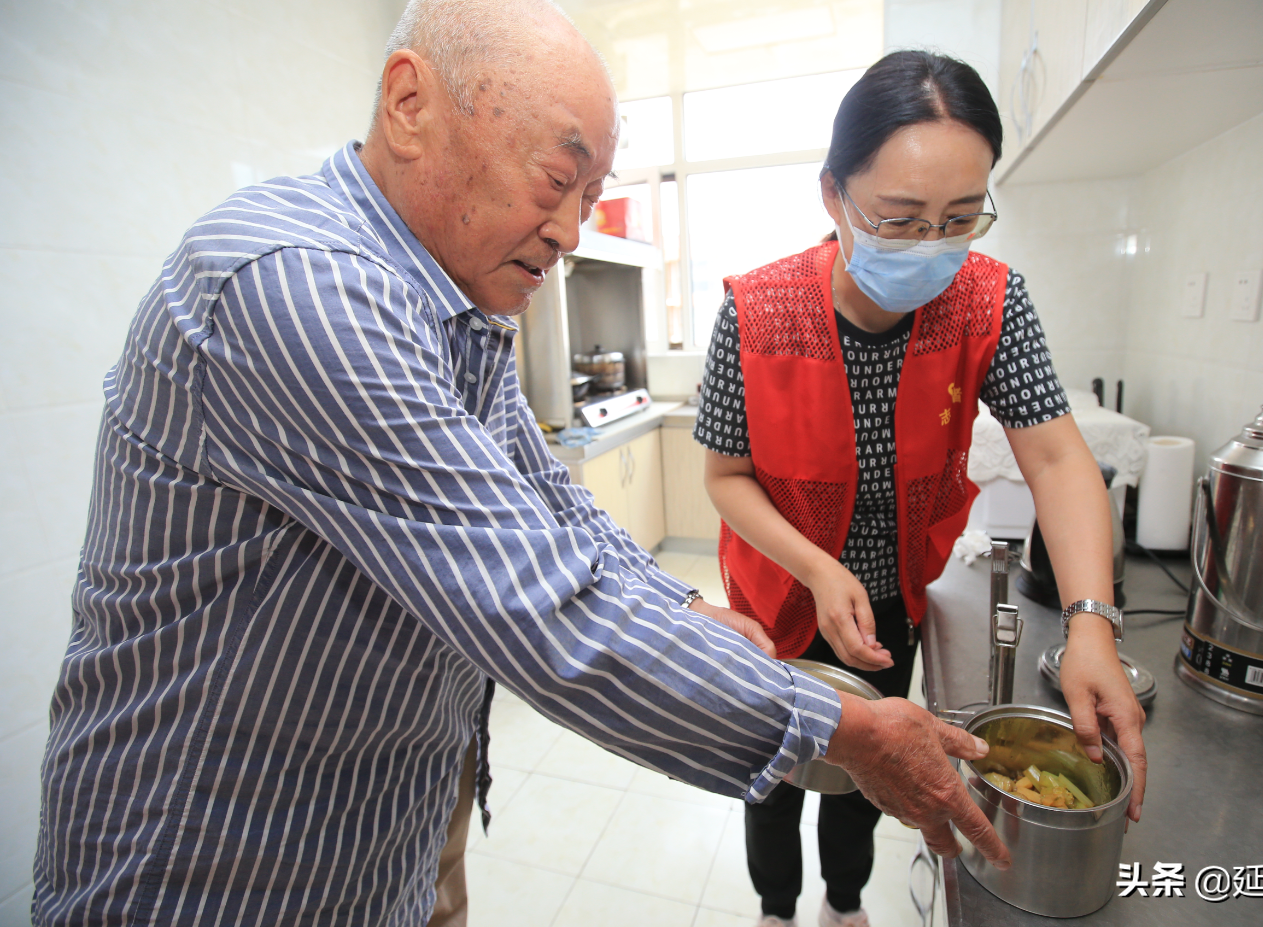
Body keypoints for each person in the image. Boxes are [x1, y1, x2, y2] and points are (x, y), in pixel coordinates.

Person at [31, 5, 1014, 926]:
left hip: (379, 829)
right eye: (557, 180)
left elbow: (549, 503)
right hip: (215, 860)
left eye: (592, 197)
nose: (571, 228)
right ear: (410, 104)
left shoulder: (456, 309)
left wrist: (682, 612)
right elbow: (535, 607)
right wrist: (843, 731)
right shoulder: (299, 289)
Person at [696, 51, 1149, 927]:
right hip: (776, 598)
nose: (932, 247)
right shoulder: (754, 309)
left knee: (874, 772)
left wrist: (1093, 618)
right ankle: (778, 908)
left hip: (890, 603)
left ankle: (844, 903)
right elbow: (724, 476)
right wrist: (818, 569)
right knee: (773, 779)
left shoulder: (990, 301)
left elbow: (1057, 459)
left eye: (959, 218)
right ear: (834, 195)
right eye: (900, 220)